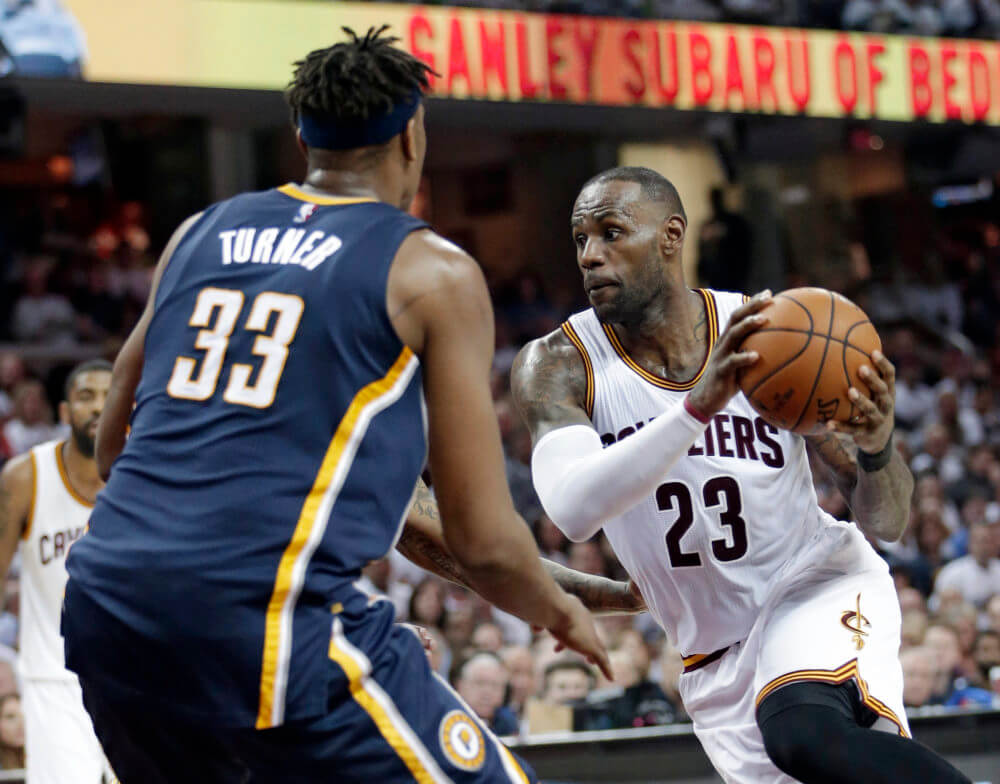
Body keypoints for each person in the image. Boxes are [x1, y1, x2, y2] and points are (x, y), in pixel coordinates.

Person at [61, 27, 612, 783]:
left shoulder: (198, 233)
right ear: (413, 135)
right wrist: (557, 610)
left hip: (107, 606)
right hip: (259, 614)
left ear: (301, 136)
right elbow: (484, 540)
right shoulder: (432, 271)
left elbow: (115, 446)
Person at [509, 166, 972, 783]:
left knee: (803, 729)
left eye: (612, 233)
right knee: (805, 744)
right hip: (711, 655)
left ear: (671, 237)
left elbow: (886, 522)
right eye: (580, 240)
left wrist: (879, 448)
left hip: (813, 584)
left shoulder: (770, 335)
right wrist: (697, 405)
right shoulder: (559, 364)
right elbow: (571, 510)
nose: (590, 256)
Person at [0, 359, 112, 784]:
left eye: (108, 395)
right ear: (64, 413)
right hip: (53, 678)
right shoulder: (25, 476)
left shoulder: (142, 476)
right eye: (86, 397)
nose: (99, 407)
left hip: (133, 675)